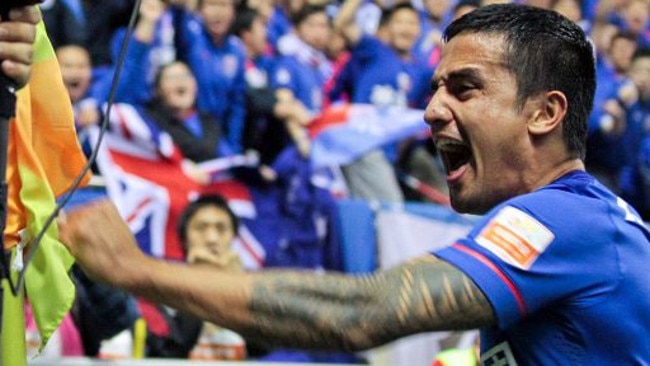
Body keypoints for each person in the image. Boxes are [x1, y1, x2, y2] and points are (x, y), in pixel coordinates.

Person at [59, 4, 650, 364]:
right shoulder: (587, 226)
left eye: (464, 89)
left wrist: (134, 269)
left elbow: (363, 312)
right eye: (436, 87)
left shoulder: (563, 220)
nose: (431, 111)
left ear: (544, 113)